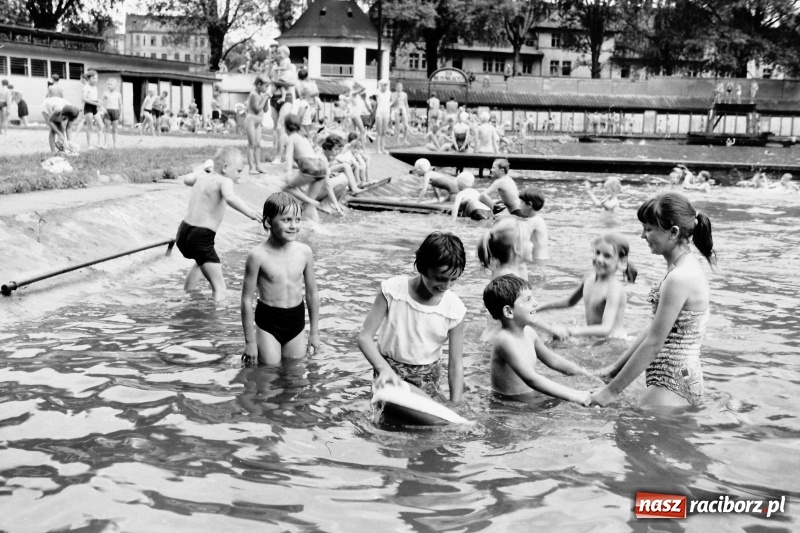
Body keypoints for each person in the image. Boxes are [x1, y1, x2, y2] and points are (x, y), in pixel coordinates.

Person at [592, 193, 715, 407]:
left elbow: (654, 344)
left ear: (673, 232)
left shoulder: (680, 277)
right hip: (678, 378)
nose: (642, 236)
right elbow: (654, 329)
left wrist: (609, 393)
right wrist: (613, 371)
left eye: (648, 229)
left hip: (672, 383)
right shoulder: (681, 267)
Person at [357, 232, 467, 403]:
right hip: (389, 368)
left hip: (426, 376)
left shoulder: (454, 309)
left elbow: (455, 363)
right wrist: (384, 369)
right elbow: (364, 337)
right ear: (422, 267)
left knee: (425, 425)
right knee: (385, 419)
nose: (446, 286)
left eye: (453, 280)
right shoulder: (393, 290)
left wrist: (456, 403)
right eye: (440, 278)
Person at [484, 274, 593, 403]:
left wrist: (583, 374)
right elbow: (531, 379)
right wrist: (575, 395)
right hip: (509, 405)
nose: (535, 303)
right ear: (509, 311)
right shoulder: (504, 340)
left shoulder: (529, 332)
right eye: (528, 300)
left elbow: (553, 360)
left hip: (526, 398)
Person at [241, 192, 320, 365]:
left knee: (295, 376)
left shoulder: (304, 252)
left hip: (296, 321)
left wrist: (314, 333)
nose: (293, 226)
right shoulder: (257, 255)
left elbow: (312, 294)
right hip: (268, 322)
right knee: (268, 373)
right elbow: (247, 300)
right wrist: (250, 342)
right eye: (286, 220)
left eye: (297, 220)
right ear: (268, 222)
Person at [175, 148, 263, 302]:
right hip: (201, 236)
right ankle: (217, 322)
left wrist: (203, 171)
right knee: (220, 287)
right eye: (238, 171)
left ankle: (187, 296)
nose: (239, 175)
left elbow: (187, 179)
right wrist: (251, 213)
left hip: (183, 233)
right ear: (225, 168)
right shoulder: (225, 180)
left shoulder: (203, 176)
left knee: (199, 261)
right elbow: (230, 198)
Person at [536, 234, 637, 340]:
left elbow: (606, 329)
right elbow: (570, 302)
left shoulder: (614, 289)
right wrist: (541, 306)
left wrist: (572, 330)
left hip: (613, 342)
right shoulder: (589, 278)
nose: (599, 259)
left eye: (607, 256)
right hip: (594, 339)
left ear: (622, 261)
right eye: (597, 253)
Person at [282, 114, 346, 220]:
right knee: (310, 207)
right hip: (321, 167)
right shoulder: (303, 139)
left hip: (310, 167)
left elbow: (289, 156)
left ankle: (310, 201)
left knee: (287, 188)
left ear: (286, 127)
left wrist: (288, 172)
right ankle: (316, 228)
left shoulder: (291, 138)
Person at [245, 76, 270, 174]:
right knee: (252, 144)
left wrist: (267, 99)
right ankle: (251, 167)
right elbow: (257, 109)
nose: (266, 89)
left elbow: (265, 109)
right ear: (259, 85)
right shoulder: (253, 94)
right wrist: (265, 98)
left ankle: (258, 166)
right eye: (265, 86)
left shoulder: (261, 95)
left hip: (258, 123)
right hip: (251, 120)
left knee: (258, 144)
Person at [518, 187, 549, 260]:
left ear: (529, 204)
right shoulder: (539, 219)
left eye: (522, 202)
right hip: (543, 258)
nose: (519, 205)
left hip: (536, 261)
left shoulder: (531, 222)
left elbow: (519, 240)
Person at [81, 70, 105, 148]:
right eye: (93, 78)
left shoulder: (95, 87)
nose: (95, 80)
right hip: (88, 107)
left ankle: (99, 143)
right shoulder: (86, 87)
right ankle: (89, 144)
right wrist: (96, 103)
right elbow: (84, 99)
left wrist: (98, 101)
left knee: (101, 125)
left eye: (96, 78)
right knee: (90, 126)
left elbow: (94, 98)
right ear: (88, 78)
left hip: (94, 107)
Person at [101, 79, 123, 148]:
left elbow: (120, 104)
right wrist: (102, 108)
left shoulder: (118, 94)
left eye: (111, 84)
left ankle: (115, 144)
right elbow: (99, 101)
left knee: (115, 129)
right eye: (108, 84)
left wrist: (121, 114)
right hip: (108, 112)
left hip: (116, 112)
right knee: (107, 128)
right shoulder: (105, 93)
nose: (109, 86)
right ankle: (106, 144)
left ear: (115, 86)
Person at [375, 79, 392, 154]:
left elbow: (391, 101)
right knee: (379, 131)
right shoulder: (378, 92)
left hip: (386, 112)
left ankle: (382, 148)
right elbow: (379, 86)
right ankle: (378, 149)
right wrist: (381, 84)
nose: (385, 86)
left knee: (384, 132)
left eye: (386, 85)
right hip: (379, 112)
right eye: (383, 85)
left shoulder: (389, 93)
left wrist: (389, 106)